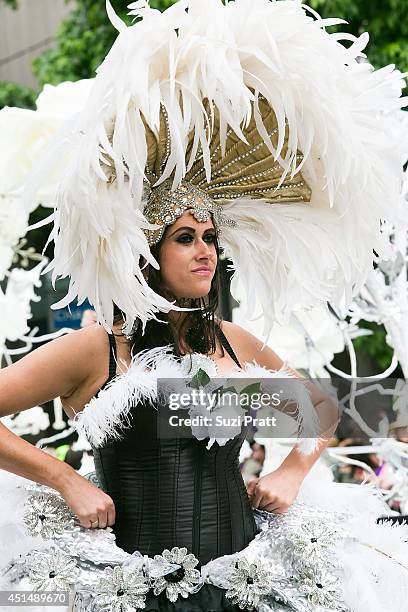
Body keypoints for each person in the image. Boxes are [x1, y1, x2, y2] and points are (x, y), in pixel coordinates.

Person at [1, 1, 408, 611]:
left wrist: (289, 473)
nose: (205, 253)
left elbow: (317, 413)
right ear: (147, 253)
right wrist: (66, 480)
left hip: (249, 581)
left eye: (212, 239)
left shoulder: (232, 343)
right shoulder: (96, 349)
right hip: (129, 588)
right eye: (185, 238)